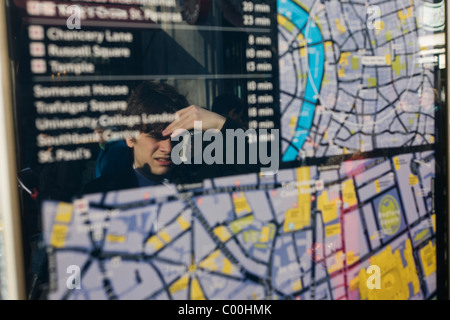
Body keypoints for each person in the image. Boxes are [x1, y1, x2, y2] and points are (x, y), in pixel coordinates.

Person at [83, 81, 250, 194]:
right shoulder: (100, 193)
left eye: (176, 137)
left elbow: (267, 170)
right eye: (155, 137)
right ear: (129, 137)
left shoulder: (202, 179)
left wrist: (219, 123)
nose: (168, 148)